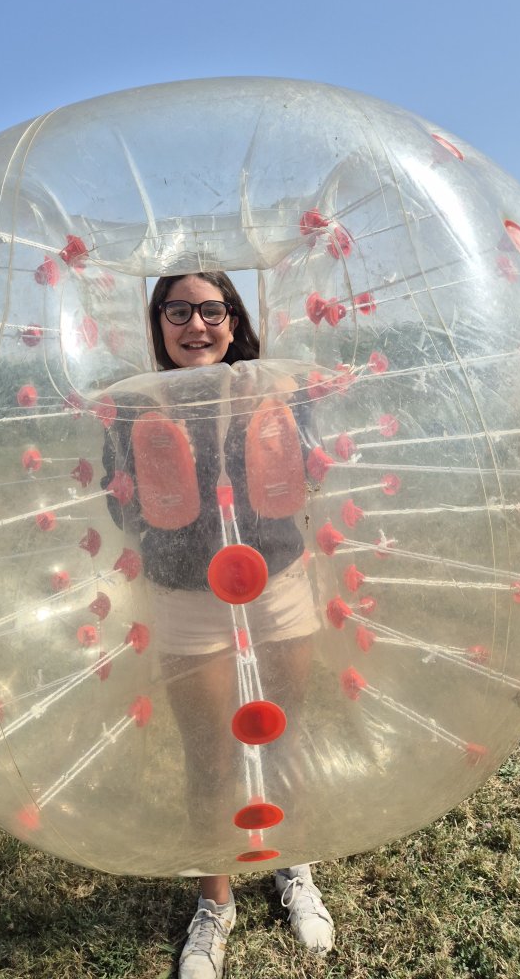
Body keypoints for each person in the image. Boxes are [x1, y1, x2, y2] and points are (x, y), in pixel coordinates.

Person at [102, 272, 334, 978]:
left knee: (283, 738)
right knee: (208, 755)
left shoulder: (276, 390)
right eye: (178, 311)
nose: (196, 325)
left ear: (234, 322)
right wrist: (159, 461)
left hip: (279, 586)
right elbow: (121, 510)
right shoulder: (131, 407)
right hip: (186, 598)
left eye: (212, 309)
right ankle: (215, 903)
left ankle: (294, 866)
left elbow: (314, 475)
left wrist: (295, 415)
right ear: (158, 323)